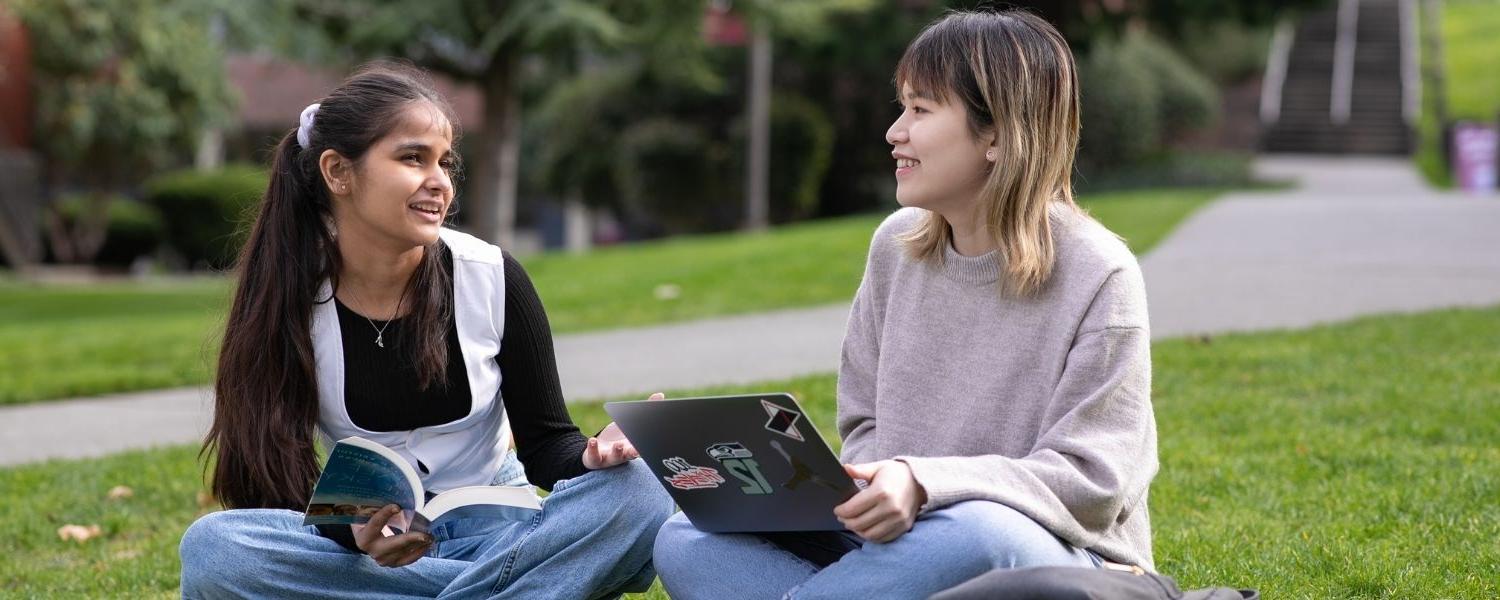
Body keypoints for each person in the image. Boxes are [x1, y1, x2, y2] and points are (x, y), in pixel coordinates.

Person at [653, 10, 1157, 599]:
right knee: (686, 537)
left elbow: (1092, 482)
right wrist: (868, 488)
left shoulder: (1100, 273)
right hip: (897, 542)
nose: (895, 131)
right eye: (903, 108)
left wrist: (924, 482)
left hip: (1053, 554)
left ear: (997, 133)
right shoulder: (896, 247)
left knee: (979, 531)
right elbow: (863, 421)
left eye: (920, 110)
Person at [178, 61, 673, 599]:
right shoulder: (286, 299)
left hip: (503, 537)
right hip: (378, 563)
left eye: (445, 162)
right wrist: (358, 530)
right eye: (413, 158)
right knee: (215, 547)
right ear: (338, 172)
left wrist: (594, 456)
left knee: (642, 491)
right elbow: (275, 483)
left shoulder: (490, 275)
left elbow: (549, 444)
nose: (440, 182)